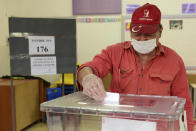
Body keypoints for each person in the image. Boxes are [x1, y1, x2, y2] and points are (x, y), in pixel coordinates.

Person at [77, 3, 195, 131]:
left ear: (160, 32)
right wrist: (88, 77)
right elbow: (88, 67)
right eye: (137, 35)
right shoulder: (115, 53)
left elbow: (185, 105)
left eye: (148, 35)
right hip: (120, 125)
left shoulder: (174, 61)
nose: (142, 40)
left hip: (158, 127)